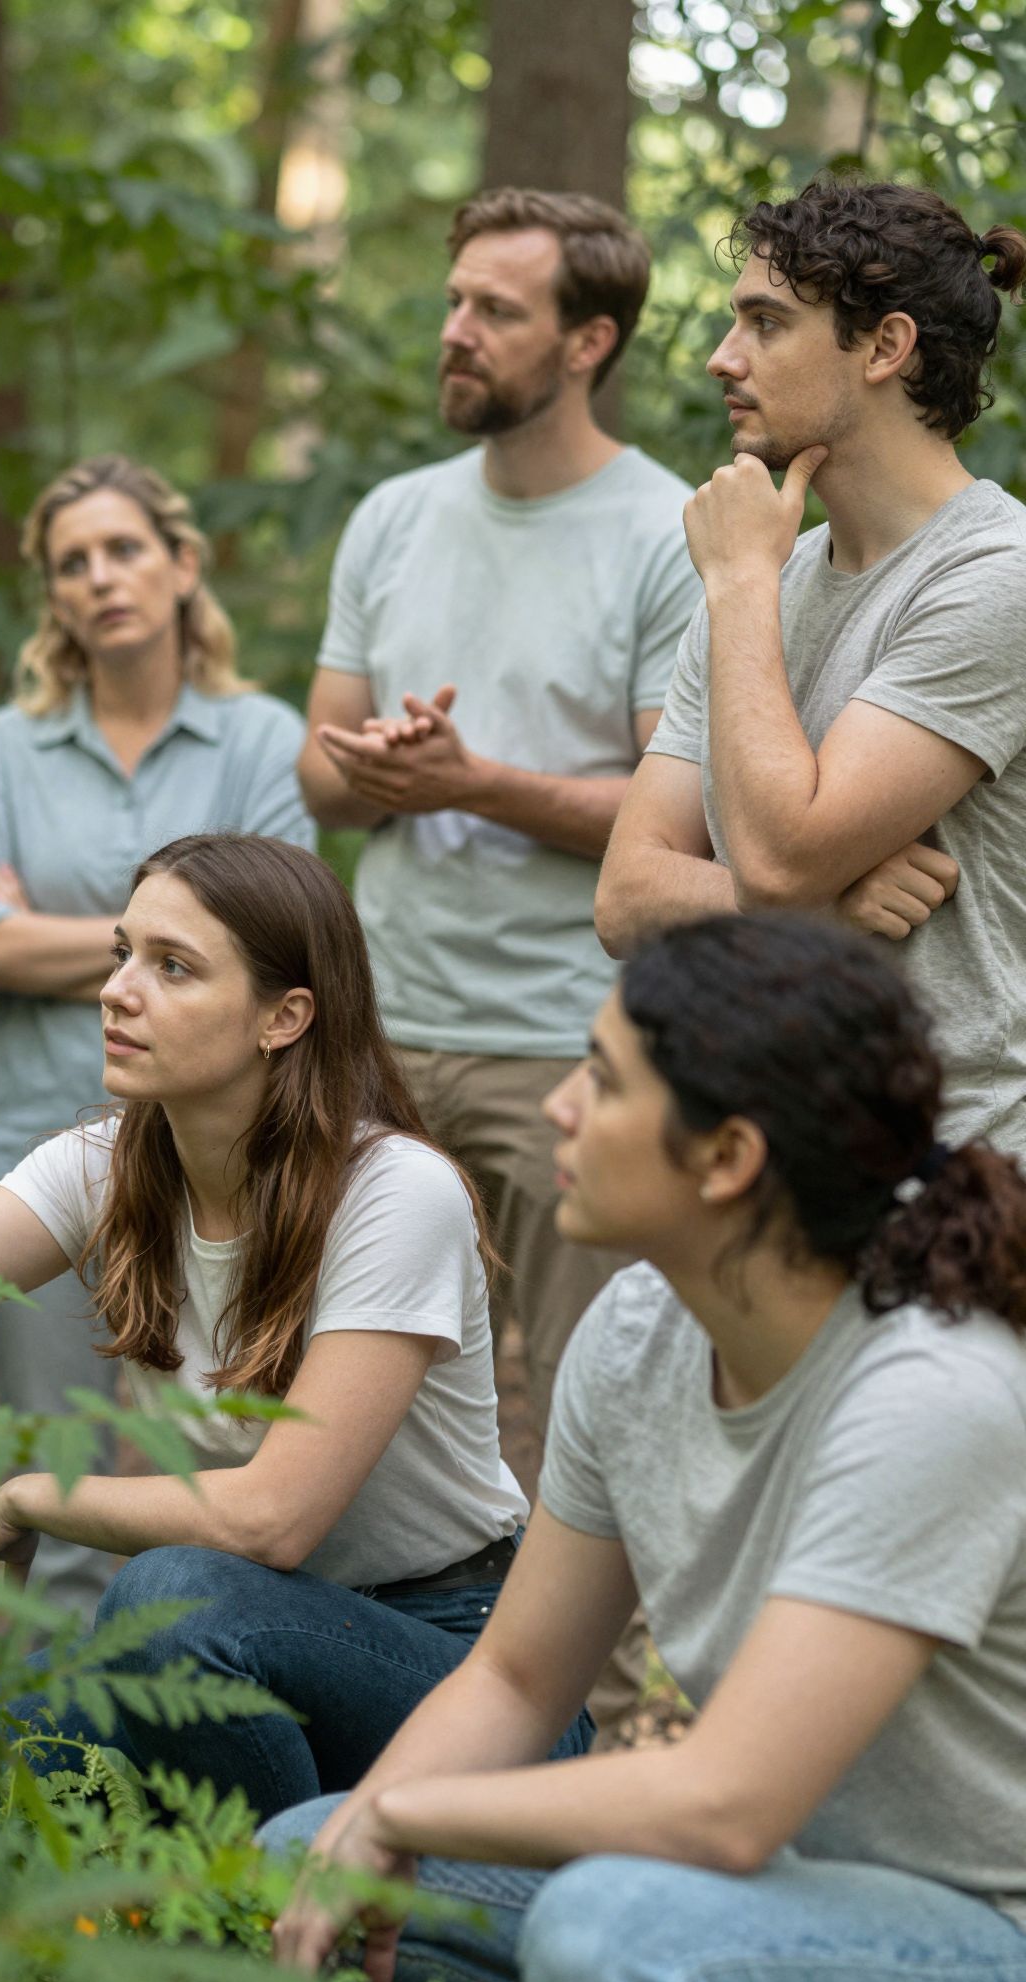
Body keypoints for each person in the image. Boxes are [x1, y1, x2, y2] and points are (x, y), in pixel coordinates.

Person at [262, 913, 1026, 1982]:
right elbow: (519, 1678)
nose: (562, 1105)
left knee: (609, 1935)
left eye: (604, 1082)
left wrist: (406, 1810)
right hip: (771, 1900)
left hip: (985, 1939)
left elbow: (726, 1805)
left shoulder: (931, 1393)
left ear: (728, 1157)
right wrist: (372, 1826)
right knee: (301, 1854)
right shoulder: (639, 1332)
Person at [0, 833, 591, 1820]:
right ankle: (240, 1826)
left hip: (454, 1664)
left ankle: (256, 1905)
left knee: (166, 1597)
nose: (117, 988)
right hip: (234, 1647)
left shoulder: (395, 1191)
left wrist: (31, 1496)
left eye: (173, 965)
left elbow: (274, 1518)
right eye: (122, 952)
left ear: (285, 1016)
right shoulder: (109, 1163)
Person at [297, 187, 699, 1739]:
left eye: (496, 309)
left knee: (594, 1407)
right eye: (453, 299)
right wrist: (386, 763)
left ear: (589, 340)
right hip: (375, 1040)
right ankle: (381, 1710)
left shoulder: (669, 531)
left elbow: (684, 814)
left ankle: (600, 1748)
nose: (455, 331)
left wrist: (479, 784)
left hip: (570, 1046)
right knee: (360, 1396)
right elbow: (320, 774)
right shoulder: (394, 515)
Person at [0, 457, 314, 1621]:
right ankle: (42, 1746)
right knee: (56, 1476)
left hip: (220, 1155)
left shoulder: (256, 736)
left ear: (184, 564)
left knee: (238, 1461)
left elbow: (285, 936)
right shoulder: (9, 744)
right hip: (30, 1141)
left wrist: (36, 927)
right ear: (51, 595)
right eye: (72, 562)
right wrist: (181, 948)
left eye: (125, 549)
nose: (101, 578)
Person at [597, 179, 1026, 1159]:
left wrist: (742, 587)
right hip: (772, 1164)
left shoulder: (997, 575)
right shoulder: (759, 570)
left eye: (766, 323)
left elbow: (781, 851)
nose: (723, 357)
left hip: (953, 1173)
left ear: (886, 347)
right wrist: (814, 906)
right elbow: (625, 895)